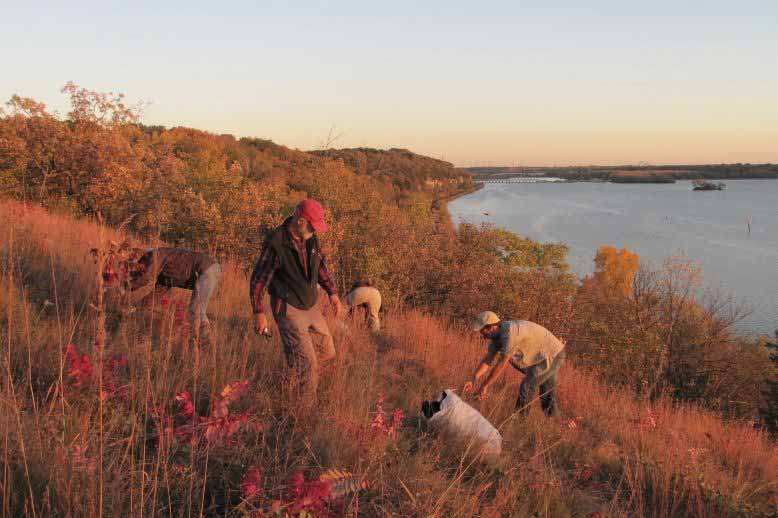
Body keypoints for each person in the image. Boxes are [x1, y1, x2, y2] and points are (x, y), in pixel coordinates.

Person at [249, 199, 344, 401]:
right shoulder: (276, 242)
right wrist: (258, 312)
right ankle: (303, 414)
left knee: (327, 350)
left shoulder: (310, 238)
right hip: (288, 306)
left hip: (310, 304)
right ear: (300, 220)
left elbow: (320, 266)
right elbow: (259, 278)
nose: (315, 231)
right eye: (312, 225)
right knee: (308, 366)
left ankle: (293, 372)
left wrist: (332, 293)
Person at [105, 247, 222, 342]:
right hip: (210, 268)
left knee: (195, 309)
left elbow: (145, 278)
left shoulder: (154, 255)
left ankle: (205, 341)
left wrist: (123, 288)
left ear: (144, 259)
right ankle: (199, 340)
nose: (139, 271)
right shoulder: (166, 275)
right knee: (195, 310)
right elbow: (154, 297)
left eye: (140, 267)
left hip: (207, 268)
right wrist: (132, 310)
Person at [463, 311, 566, 417]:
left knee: (527, 386)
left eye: (483, 332)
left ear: (492, 327)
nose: (483, 337)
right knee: (547, 392)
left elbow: (502, 363)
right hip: (543, 355)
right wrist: (473, 379)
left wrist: (485, 386)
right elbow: (488, 360)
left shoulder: (511, 333)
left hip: (553, 354)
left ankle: (519, 422)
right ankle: (556, 420)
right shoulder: (497, 336)